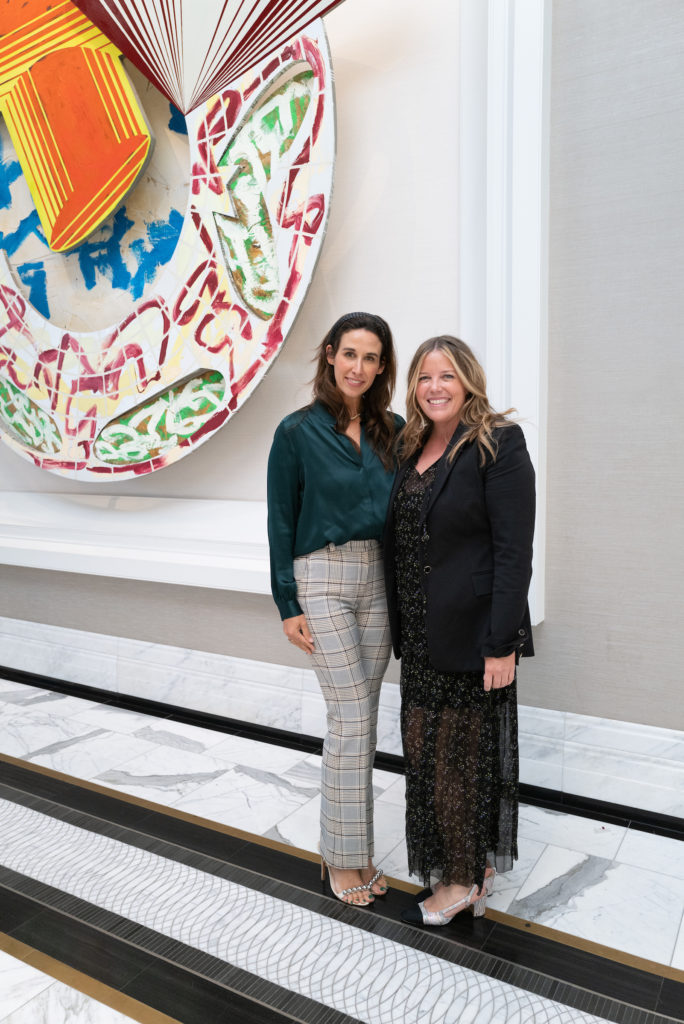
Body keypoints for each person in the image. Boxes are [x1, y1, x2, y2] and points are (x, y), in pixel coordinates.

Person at [384, 335, 535, 926]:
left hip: (474, 637)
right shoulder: (410, 446)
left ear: (468, 381)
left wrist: (503, 644)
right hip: (420, 636)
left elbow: (512, 552)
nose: (435, 387)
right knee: (428, 756)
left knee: (460, 760)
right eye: (424, 377)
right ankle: (470, 862)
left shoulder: (498, 443)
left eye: (447, 375)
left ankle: (459, 880)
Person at [267, 311, 403, 907]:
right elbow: (279, 520)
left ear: (382, 367)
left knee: (365, 717)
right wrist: (286, 601)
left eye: (372, 358)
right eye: (350, 354)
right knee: (349, 717)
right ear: (329, 354)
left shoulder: (394, 430)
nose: (359, 367)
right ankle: (342, 861)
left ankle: (353, 846)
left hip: (379, 576)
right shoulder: (296, 432)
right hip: (319, 575)